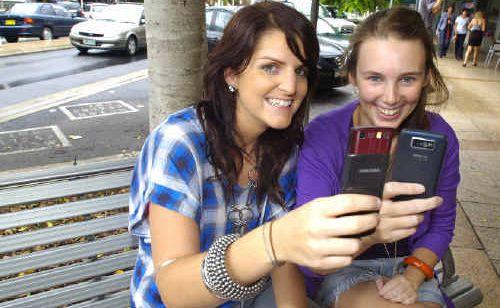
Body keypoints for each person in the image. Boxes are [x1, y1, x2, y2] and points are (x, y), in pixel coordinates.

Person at [128, 2, 392, 307]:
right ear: (232, 75)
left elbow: (285, 265)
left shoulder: (284, 148)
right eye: (270, 67)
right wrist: (274, 240)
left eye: (300, 70)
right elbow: (175, 292)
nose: (292, 86)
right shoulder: (181, 143)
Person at [296, 6, 458, 308]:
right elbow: (312, 259)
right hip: (343, 270)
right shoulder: (324, 137)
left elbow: (441, 224)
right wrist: (372, 234)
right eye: (375, 78)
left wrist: (413, 276)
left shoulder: (440, 135)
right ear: (353, 76)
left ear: (425, 78)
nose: (391, 97)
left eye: (407, 79)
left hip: (413, 269)